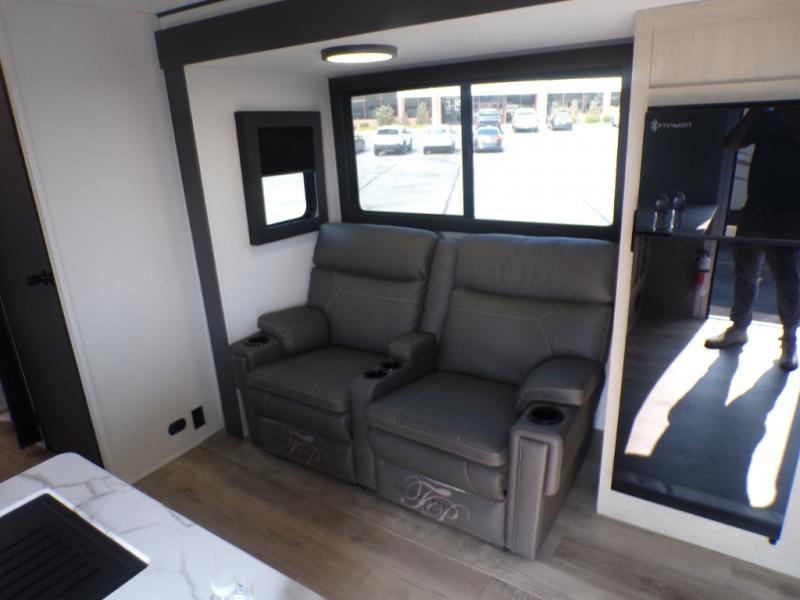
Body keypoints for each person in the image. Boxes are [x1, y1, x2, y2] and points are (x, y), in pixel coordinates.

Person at [705, 106, 800, 371]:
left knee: (787, 282)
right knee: (744, 274)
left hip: (788, 216)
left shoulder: (791, 118)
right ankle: (738, 328)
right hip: (753, 210)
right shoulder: (766, 119)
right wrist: (752, 115)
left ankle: (789, 341)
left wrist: (788, 114)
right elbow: (729, 144)